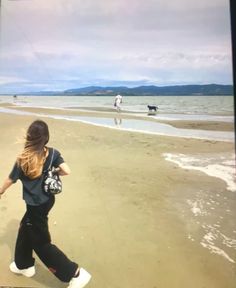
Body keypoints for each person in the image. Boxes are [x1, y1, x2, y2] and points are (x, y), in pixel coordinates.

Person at [0, 120, 91, 288]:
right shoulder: (53, 153)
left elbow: (10, 179)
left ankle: (76, 273)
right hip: (48, 201)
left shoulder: (23, 158)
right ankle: (24, 265)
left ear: (29, 137)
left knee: (41, 243)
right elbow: (67, 171)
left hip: (35, 206)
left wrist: (0, 191)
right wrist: (53, 171)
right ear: (46, 138)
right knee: (25, 226)